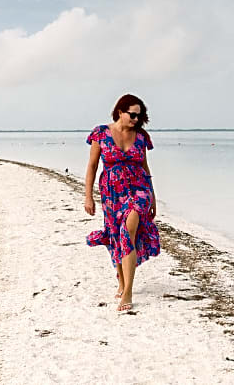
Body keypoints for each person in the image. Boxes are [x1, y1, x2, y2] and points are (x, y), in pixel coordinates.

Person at [84, 94, 160, 312]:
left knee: (128, 231)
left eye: (139, 116)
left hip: (139, 190)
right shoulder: (101, 133)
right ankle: (121, 281)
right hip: (112, 193)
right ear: (120, 111)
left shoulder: (141, 137)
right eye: (133, 115)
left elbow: (145, 168)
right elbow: (91, 166)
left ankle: (128, 292)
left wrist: (152, 196)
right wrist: (88, 196)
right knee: (116, 234)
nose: (136, 119)